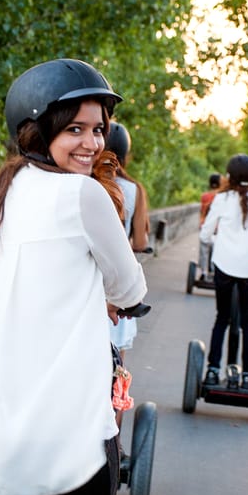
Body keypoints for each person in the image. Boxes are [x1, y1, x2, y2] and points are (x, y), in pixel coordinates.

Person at [0, 58, 147, 495]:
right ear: (38, 132)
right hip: (61, 444)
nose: (92, 143)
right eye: (75, 130)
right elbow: (129, 288)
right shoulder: (83, 194)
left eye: (98, 129)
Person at [199, 154, 248, 389]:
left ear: (229, 176)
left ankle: (213, 370)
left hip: (223, 267)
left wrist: (217, 239)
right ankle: (247, 374)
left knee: (222, 318)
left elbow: (204, 235)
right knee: (247, 322)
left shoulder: (221, 199)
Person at [101, 121, 150, 433]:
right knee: (117, 370)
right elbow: (140, 243)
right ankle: (113, 444)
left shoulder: (81, 184)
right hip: (118, 290)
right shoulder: (132, 190)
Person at [197, 173, 222, 281]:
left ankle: (203, 271)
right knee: (217, 249)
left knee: (204, 249)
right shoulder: (222, 197)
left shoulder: (205, 196)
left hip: (205, 226)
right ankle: (214, 270)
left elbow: (202, 212)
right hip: (218, 228)